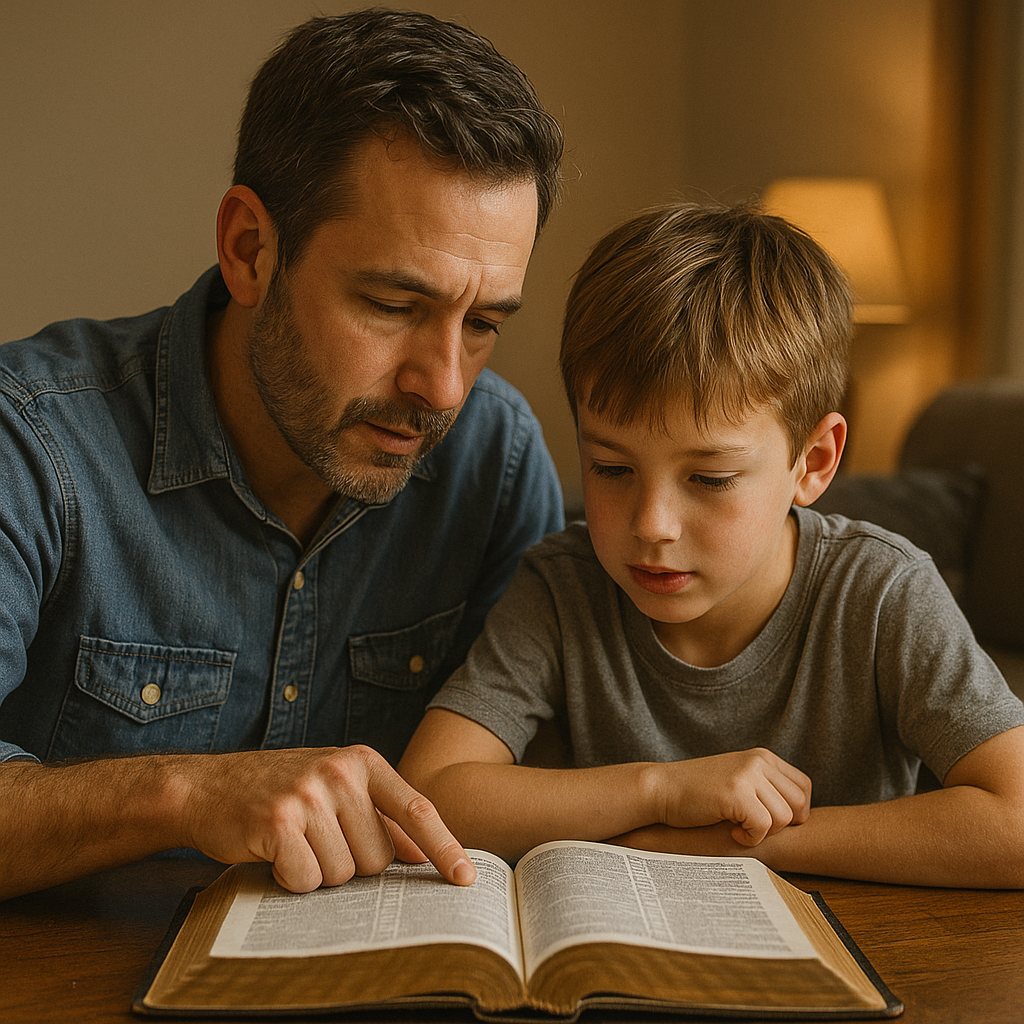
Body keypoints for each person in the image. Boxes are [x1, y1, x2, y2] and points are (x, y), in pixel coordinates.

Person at [0, 9, 564, 900]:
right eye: (391, 304)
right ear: (249, 250)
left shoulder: (493, 463)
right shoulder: (30, 443)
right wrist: (184, 793)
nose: (445, 387)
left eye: (484, 322)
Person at [400, 201, 1024, 888]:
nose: (652, 524)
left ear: (813, 462)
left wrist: (756, 847)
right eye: (612, 468)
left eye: (710, 478)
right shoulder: (562, 587)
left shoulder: (881, 593)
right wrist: (662, 792)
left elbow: (1015, 818)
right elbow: (430, 793)